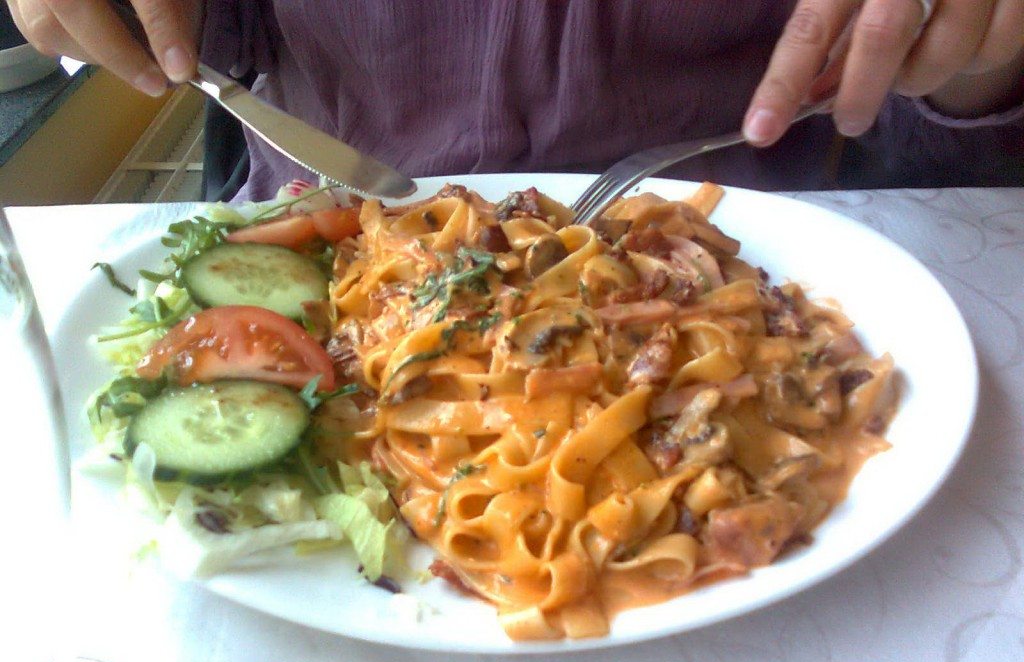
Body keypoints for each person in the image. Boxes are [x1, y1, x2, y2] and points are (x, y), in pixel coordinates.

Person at [7, 0, 1024, 200]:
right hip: (316, 267)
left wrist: (976, 50)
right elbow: (212, 32)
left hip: (756, 269)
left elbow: (938, 168)